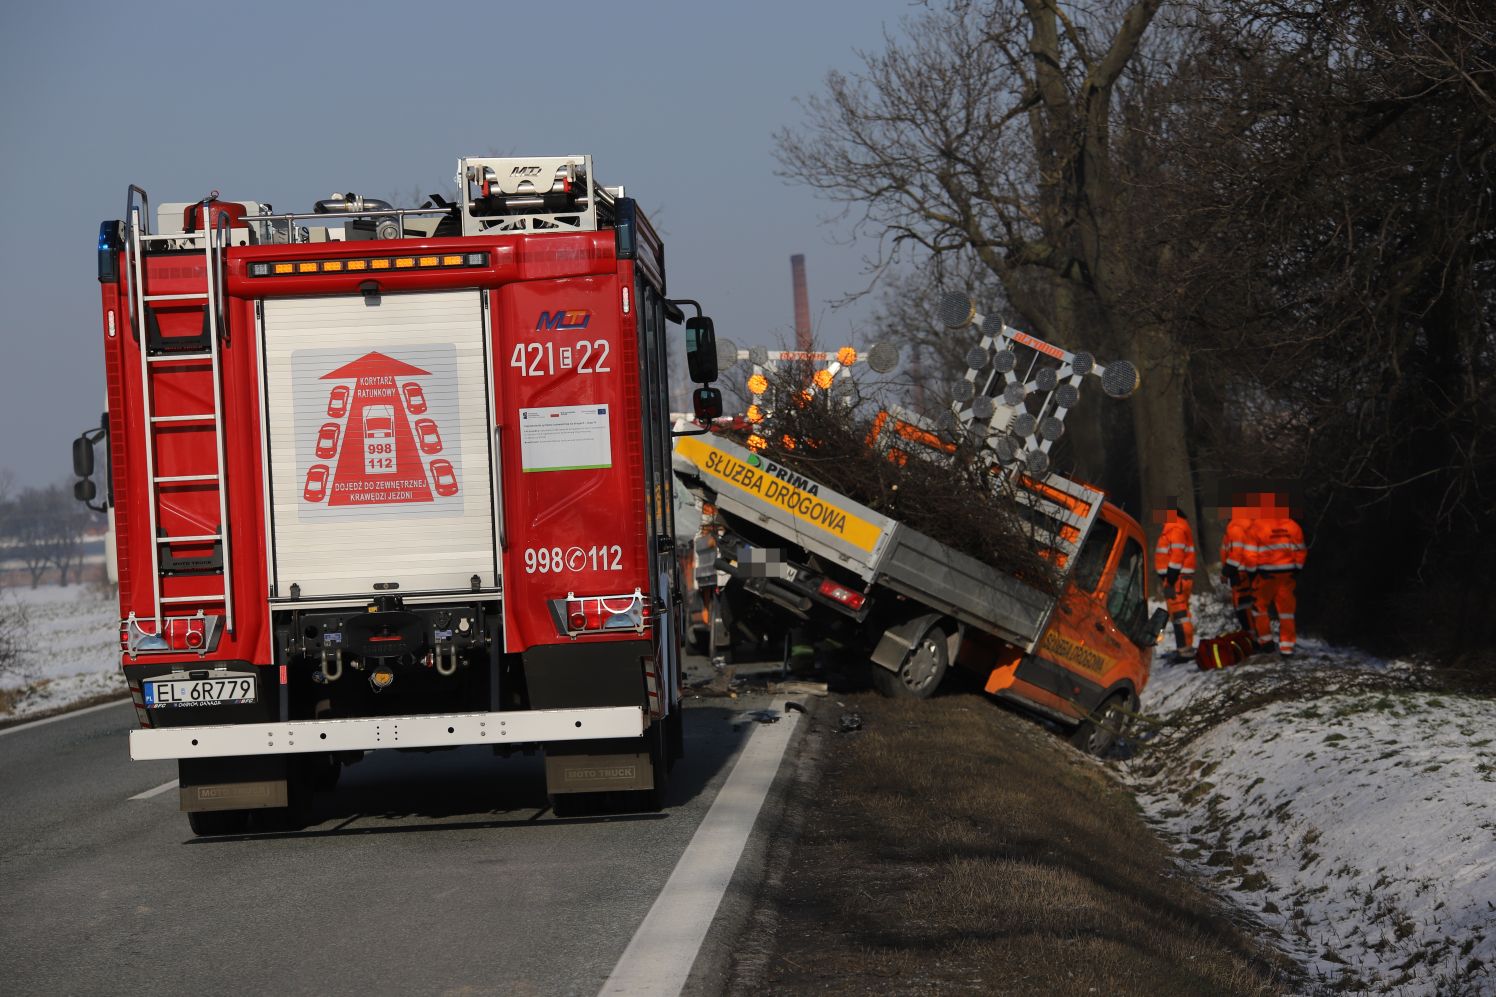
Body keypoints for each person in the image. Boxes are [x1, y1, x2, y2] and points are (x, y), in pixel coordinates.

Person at [1245, 493, 1306, 658]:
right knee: (1286, 611)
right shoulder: (1292, 525)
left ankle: (1266, 642)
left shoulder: (1256, 527)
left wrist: (1251, 573)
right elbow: (1300, 550)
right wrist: (1297, 569)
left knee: (1260, 608)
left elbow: (1250, 554)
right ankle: (1287, 647)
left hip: (1265, 574)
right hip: (1287, 575)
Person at [1153, 505, 1196, 662]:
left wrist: (1170, 580)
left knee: (1180, 615)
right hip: (1177, 579)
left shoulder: (1176, 528)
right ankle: (1184, 648)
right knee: (1181, 614)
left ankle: (1185, 651)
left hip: (1176, 580)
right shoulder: (1176, 527)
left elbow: (1177, 556)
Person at [1220, 494, 1258, 632]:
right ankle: (1256, 638)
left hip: (1240, 573)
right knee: (1248, 607)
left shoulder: (1236, 526)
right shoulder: (1247, 523)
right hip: (1246, 571)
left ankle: (1253, 639)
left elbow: (1236, 553)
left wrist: (1226, 571)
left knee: (1244, 608)